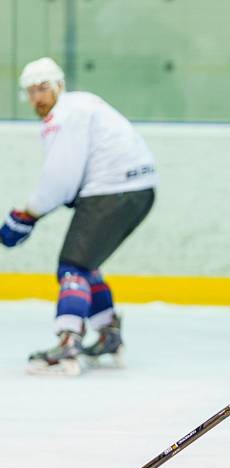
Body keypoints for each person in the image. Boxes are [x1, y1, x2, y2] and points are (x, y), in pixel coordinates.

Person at [1, 57, 158, 376]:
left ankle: (68, 339)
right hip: (138, 189)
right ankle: (107, 334)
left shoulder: (66, 115)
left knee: (72, 266)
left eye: (43, 88)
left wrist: (25, 215)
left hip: (115, 190)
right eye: (30, 91)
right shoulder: (81, 106)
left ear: (59, 85)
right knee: (86, 263)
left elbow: (60, 179)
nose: (37, 97)